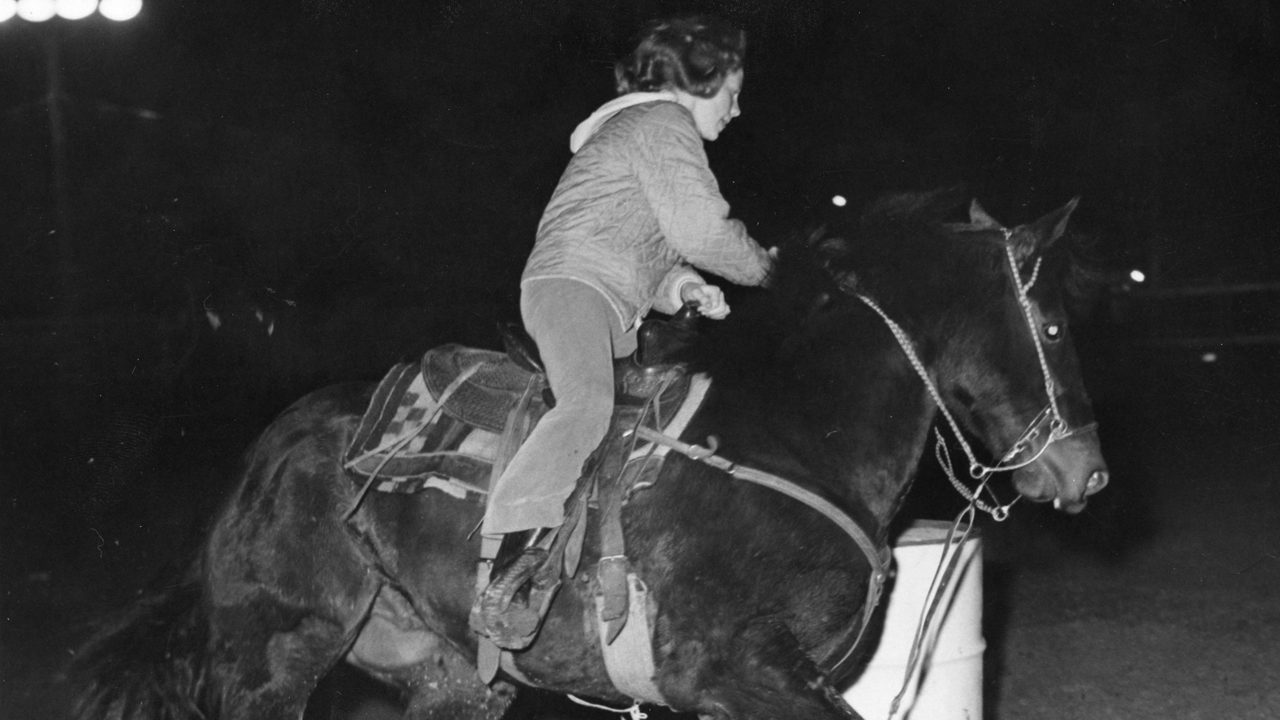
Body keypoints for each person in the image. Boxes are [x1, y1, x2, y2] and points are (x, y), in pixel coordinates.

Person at [474, 15, 774, 644]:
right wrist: (771, 270)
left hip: (608, 300)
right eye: (732, 93)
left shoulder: (641, 131)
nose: (739, 111)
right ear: (700, 79)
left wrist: (682, 287)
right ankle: (508, 559)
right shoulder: (662, 125)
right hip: (572, 289)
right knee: (588, 405)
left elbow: (655, 249)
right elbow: (703, 232)